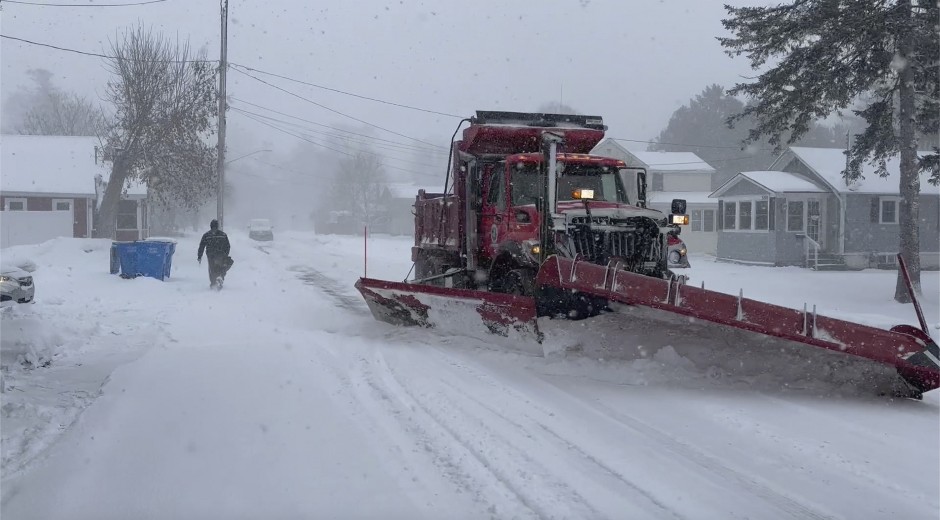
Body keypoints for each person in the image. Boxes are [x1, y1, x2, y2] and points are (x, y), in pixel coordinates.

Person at [197, 219, 232, 289]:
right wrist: (225, 254)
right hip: (221, 255)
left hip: (210, 255)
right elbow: (227, 246)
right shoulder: (223, 235)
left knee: (212, 269)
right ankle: (220, 278)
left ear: (210, 226)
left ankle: (213, 282)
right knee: (221, 267)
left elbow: (202, 246)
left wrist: (199, 256)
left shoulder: (206, 235)